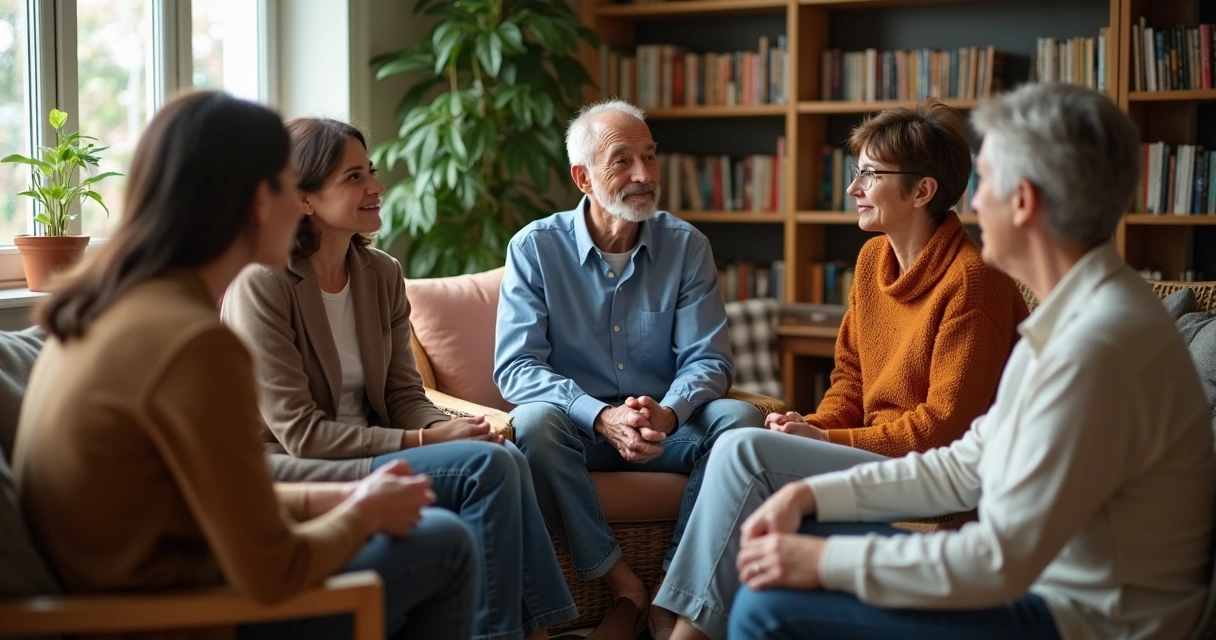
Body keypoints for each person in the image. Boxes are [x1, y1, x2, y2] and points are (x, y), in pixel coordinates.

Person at [710, 83, 1214, 640]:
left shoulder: (1095, 346)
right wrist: (809, 493)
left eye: (986, 183)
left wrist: (821, 563)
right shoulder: (1076, 314)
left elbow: (999, 559)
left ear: (1022, 201)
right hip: (1039, 583)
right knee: (787, 552)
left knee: (767, 608)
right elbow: (967, 464)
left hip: (1081, 617)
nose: (971, 204)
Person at [12, 91, 477, 639]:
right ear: (261, 201)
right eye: (289, 186)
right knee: (445, 542)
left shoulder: (111, 307)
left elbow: (208, 501)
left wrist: (342, 496)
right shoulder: (194, 344)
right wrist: (363, 515)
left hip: (136, 587)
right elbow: (273, 570)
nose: (299, 204)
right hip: (172, 618)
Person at [653, 98, 1030, 640]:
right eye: (857, 172)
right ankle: (696, 622)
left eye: (871, 175)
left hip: (933, 474)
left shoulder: (975, 282)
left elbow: (946, 430)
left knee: (743, 449)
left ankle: (682, 628)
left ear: (922, 191)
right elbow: (848, 380)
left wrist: (827, 439)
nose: (853, 188)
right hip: (871, 454)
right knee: (749, 444)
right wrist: (810, 428)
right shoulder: (873, 261)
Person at [221, 117, 575, 640]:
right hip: (292, 465)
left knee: (503, 454)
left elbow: (403, 393)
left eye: (371, 171)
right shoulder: (262, 283)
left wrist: (447, 428)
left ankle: (531, 633)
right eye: (354, 177)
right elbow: (300, 433)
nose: (377, 187)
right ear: (303, 199)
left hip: (369, 447)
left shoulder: (381, 273)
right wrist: (425, 441)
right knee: (488, 468)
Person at [493, 98, 763, 640]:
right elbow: (517, 367)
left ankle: (673, 589)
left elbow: (709, 359)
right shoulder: (535, 248)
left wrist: (668, 412)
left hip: (668, 430)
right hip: (579, 431)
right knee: (533, 425)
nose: (644, 174)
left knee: (740, 421)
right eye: (622, 160)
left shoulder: (687, 246)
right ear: (583, 178)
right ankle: (623, 584)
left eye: (650, 156)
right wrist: (599, 416)